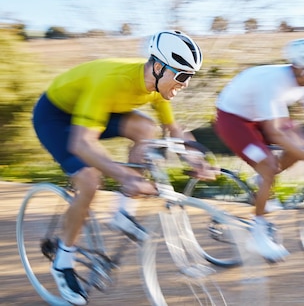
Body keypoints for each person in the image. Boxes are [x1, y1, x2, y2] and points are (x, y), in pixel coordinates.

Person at [32, 30, 216, 305]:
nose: (186, 83)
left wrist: (197, 160)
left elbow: (173, 130)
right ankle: (62, 262)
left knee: (147, 128)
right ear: (157, 67)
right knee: (90, 180)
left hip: (94, 109)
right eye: (182, 75)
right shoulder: (112, 82)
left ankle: (121, 214)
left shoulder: (156, 87)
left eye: (190, 76)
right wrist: (125, 175)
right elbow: (82, 144)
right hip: (55, 118)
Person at [213, 38, 304, 262]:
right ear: (295, 67)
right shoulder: (272, 82)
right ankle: (257, 233)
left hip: (263, 116)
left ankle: (261, 182)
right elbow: (275, 134)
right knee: (269, 166)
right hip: (234, 120)